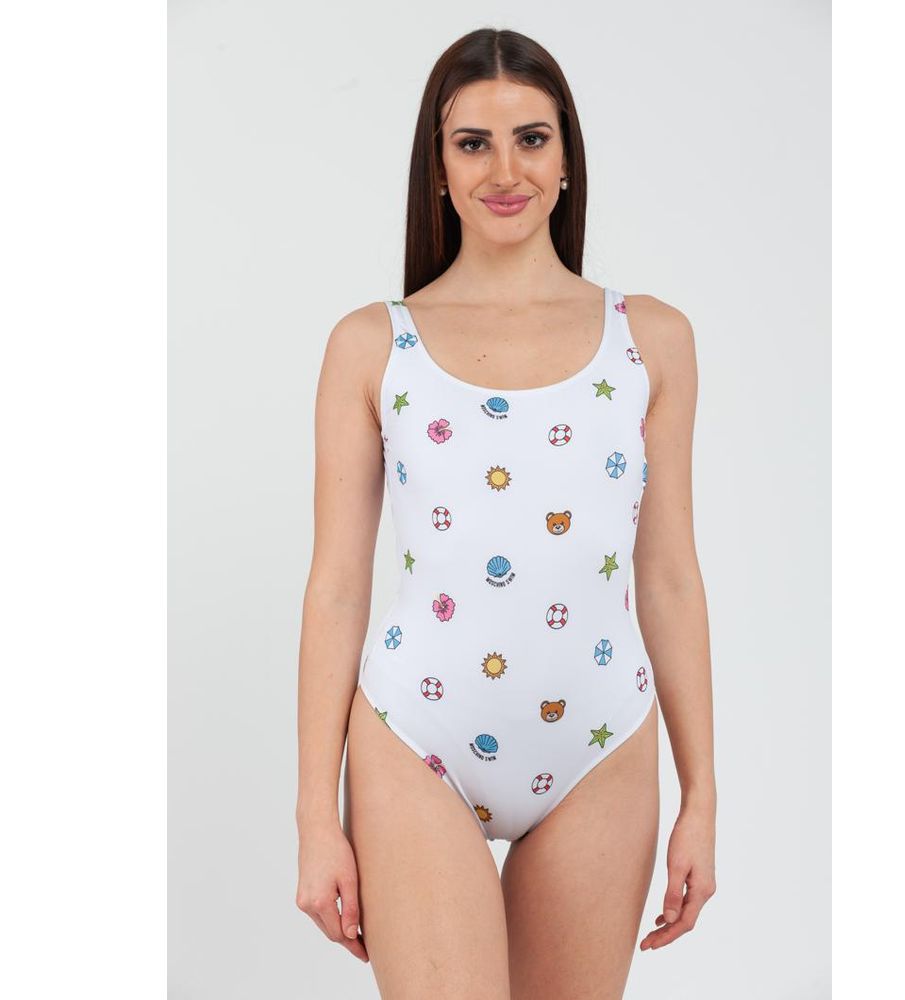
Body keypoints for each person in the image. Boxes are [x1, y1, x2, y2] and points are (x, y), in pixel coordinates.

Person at [296, 27, 716, 999]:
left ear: (566, 157)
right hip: (418, 733)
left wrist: (701, 795)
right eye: (472, 143)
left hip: (600, 742)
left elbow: (668, 575)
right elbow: (337, 585)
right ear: (437, 168)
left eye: (531, 138)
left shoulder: (651, 340)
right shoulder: (372, 345)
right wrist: (316, 814)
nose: (505, 170)